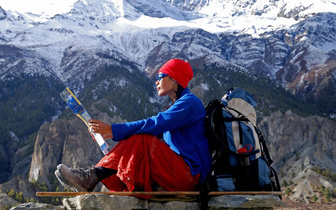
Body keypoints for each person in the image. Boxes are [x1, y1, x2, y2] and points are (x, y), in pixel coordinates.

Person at [55, 59, 212, 196]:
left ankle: (91, 177)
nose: (156, 82)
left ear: (174, 79)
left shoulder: (190, 103)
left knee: (143, 139)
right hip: (180, 172)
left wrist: (112, 129)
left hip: (190, 176)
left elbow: (155, 124)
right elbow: (151, 131)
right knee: (140, 138)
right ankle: (92, 177)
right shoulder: (181, 105)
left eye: (160, 77)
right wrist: (109, 133)